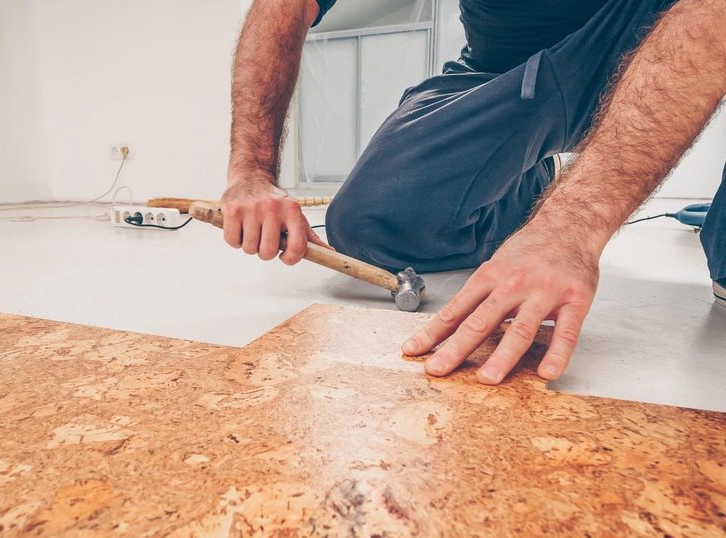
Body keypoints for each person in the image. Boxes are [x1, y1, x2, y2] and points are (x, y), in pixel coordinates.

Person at [220, 0, 726, 384]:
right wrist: (251, 170)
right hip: (504, 68)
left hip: (660, 30)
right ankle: (531, 180)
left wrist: (569, 229)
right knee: (371, 222)